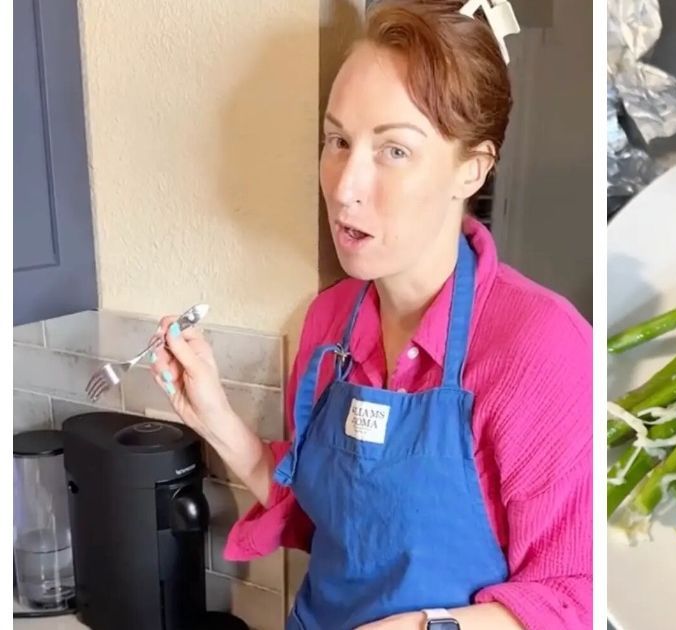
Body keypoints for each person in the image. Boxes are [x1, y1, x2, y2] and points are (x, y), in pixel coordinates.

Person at [147, 2, 592, 628]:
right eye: (338, 141)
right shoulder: (330, 321)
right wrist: (212, 415)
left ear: (472, 168)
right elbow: (328, 519)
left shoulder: (543, 349)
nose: (344, 186)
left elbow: (575, 596)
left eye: (394, 150)